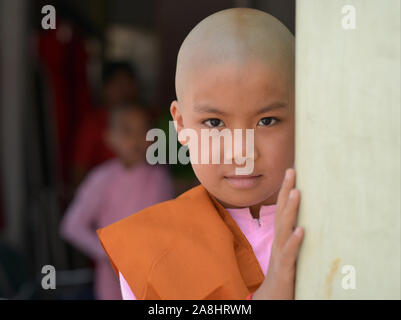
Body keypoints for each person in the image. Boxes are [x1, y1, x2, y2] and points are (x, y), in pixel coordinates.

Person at [97, 8, 304, 300]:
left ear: (303, 115)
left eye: (266, 121)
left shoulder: (341, 225)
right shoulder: (153, 251)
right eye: (215, 123)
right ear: (180, 124)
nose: (240, 152)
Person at [60, 103, 174, 300]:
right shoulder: (102, 179)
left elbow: (168, 226)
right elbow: (71, 226)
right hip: (112, 282)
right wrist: (107, 253)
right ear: (110, 138)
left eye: (142, 130)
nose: (136, 138)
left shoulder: (160, 177)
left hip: (154, 278)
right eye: (127, 131)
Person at [72, 61, 139, 188]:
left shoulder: (146, 118)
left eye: (128, 84)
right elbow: (78, 171)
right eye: (118, 84)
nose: (124, 91)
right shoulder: (93, 123)